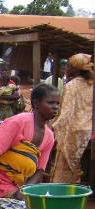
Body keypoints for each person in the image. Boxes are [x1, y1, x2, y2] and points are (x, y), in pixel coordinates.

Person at [0, 84, 59, 207]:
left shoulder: (49, 136)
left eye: (57, 104)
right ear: (36, 104)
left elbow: (39, 170)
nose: (55, 107)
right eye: (51, 103)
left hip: (11, 182)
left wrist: (25, 191)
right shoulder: (18, 122)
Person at [49, 54, 94, 184]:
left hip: (72, 131)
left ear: (75, 68)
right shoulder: (90, 84)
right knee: (77, 165)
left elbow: (66, 113)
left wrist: (52, 127)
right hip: (86, 131)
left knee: (63, 166)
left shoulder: (72, 86)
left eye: (68, 66)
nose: (66, 68)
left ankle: (62, 191)